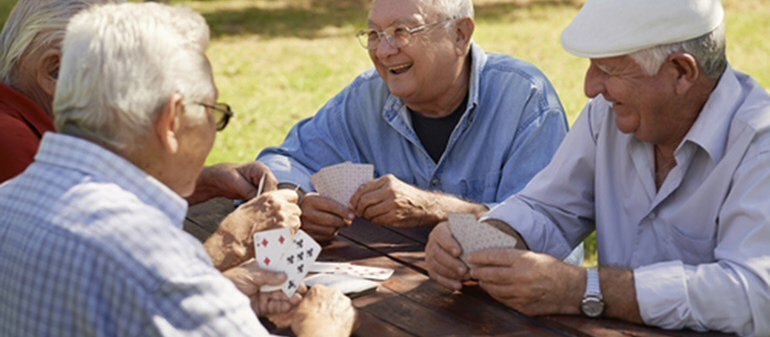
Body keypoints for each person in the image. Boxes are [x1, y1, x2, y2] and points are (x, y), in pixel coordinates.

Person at [0, 3, 356, 336]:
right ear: (171, 120)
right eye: (213, 113)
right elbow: (152, 281)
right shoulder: (154, 255)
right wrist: (322, 323)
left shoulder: (10, 198)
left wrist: (224, 291)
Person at [425, 0, 770, 335]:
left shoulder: (759, 142)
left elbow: (755, 293)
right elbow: (547, 209)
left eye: (608, 70)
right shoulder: (608, 114)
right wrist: (473, 240)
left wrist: (584, 289)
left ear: (681, 72)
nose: (590, 88)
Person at [257, 0, 583, 264]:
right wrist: (298, 199)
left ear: (460, 34)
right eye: (373, 33)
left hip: (500, 312)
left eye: (402, 31)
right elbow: (281, 161)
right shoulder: (366, 97)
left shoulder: (525, 98)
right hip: (397, 306)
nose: (383, 51)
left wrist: (433, 209)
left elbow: (545, 239)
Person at [0, 0, 278, 207]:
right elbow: (99, 252)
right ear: (54, 72)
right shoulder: (13, 141)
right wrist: (231, 244)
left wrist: (205, 181)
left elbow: (107, 197)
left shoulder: (37, 123)